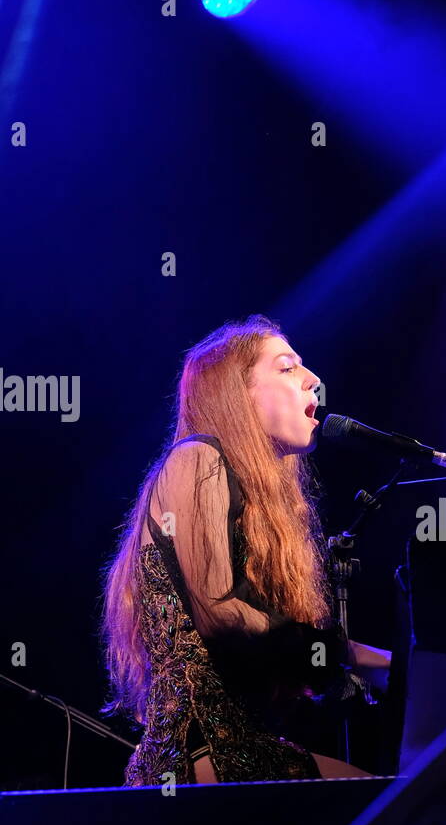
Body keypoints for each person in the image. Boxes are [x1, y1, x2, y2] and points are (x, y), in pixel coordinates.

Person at [100, 314, 390, 785]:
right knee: (384, 809)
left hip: (236, 748)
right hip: (202, 757)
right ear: (238, 393)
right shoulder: (197, 457)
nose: (314, 379)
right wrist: (354, 657)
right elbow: (222, 611)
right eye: (286, 367)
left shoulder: (238, 492)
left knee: (383, 801)